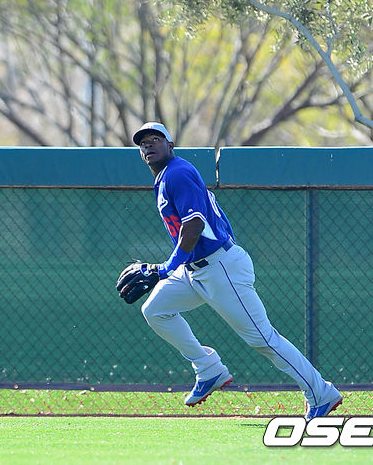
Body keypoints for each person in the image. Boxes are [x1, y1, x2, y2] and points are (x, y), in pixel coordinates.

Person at [127, 121, 342, 419]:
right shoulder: (165, 177)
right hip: (195, 270)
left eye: (155, 139)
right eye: (143, 143)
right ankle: (208, 368)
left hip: (219, 267)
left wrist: (165, 268)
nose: (148, 145)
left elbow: (194, 226)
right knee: (155, 310)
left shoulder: (178, 172)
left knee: (264, 339)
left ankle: (321, 392)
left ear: (170, 144)